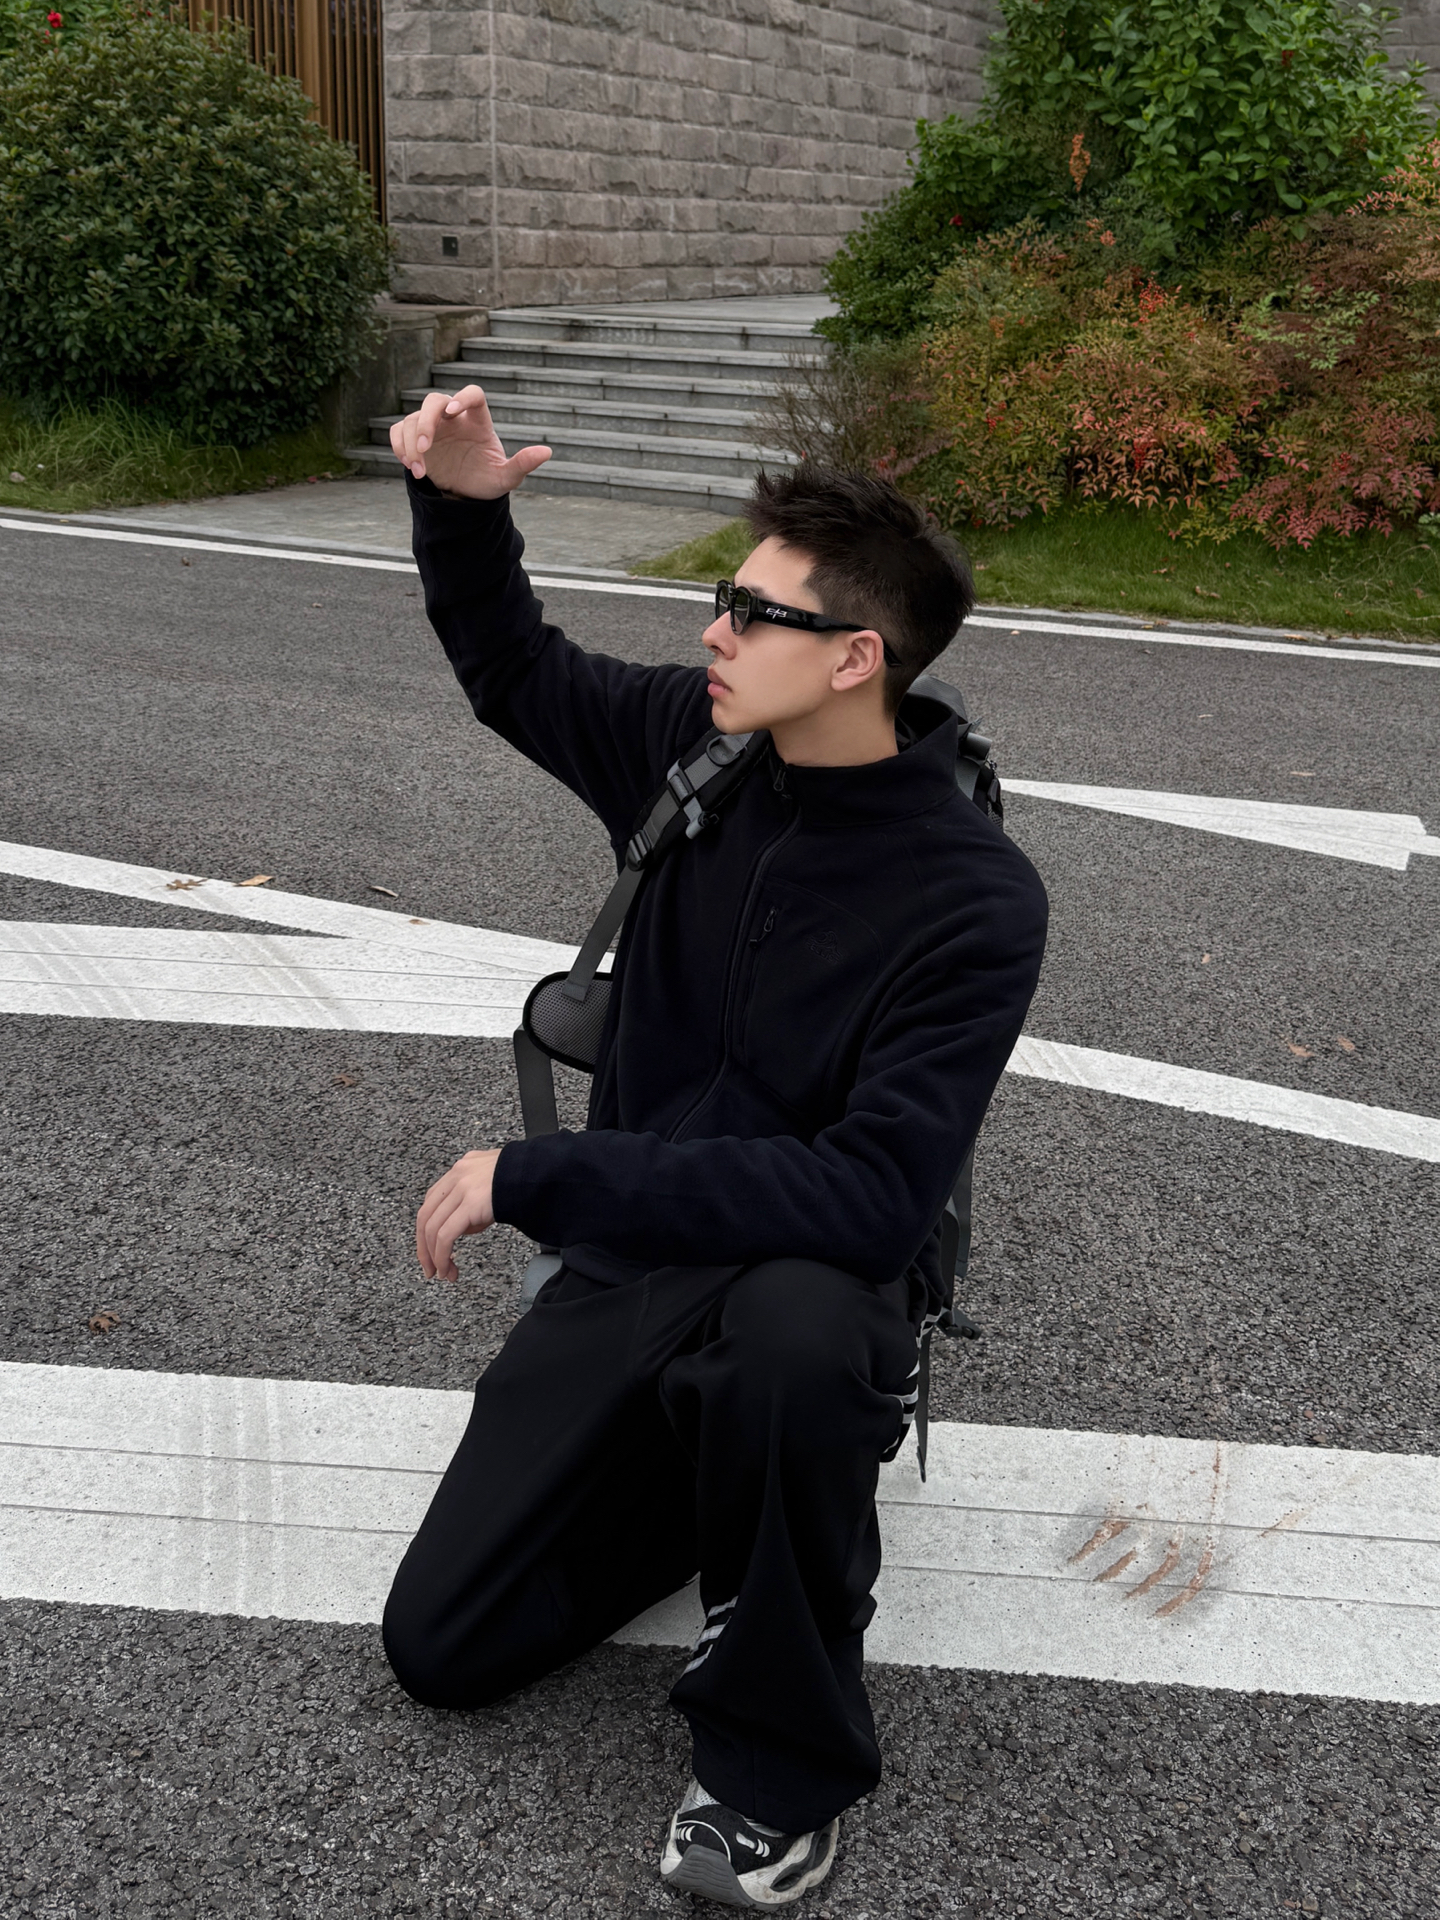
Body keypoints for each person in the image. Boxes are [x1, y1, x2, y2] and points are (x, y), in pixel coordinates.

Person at [381, 386, 1048, 1911]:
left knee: (798, 1344)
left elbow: (871, 1198)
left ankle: (772, 1770)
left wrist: (544, 1175)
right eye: (723, 602)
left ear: (856, 657)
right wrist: (463, 507)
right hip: (639, 1262)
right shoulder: (699, 757)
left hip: (811, 1281)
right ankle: (742, 1473)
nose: (715, 634)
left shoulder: (975, 896)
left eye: (753, 612)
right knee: (444, 1645)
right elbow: (512, 668)